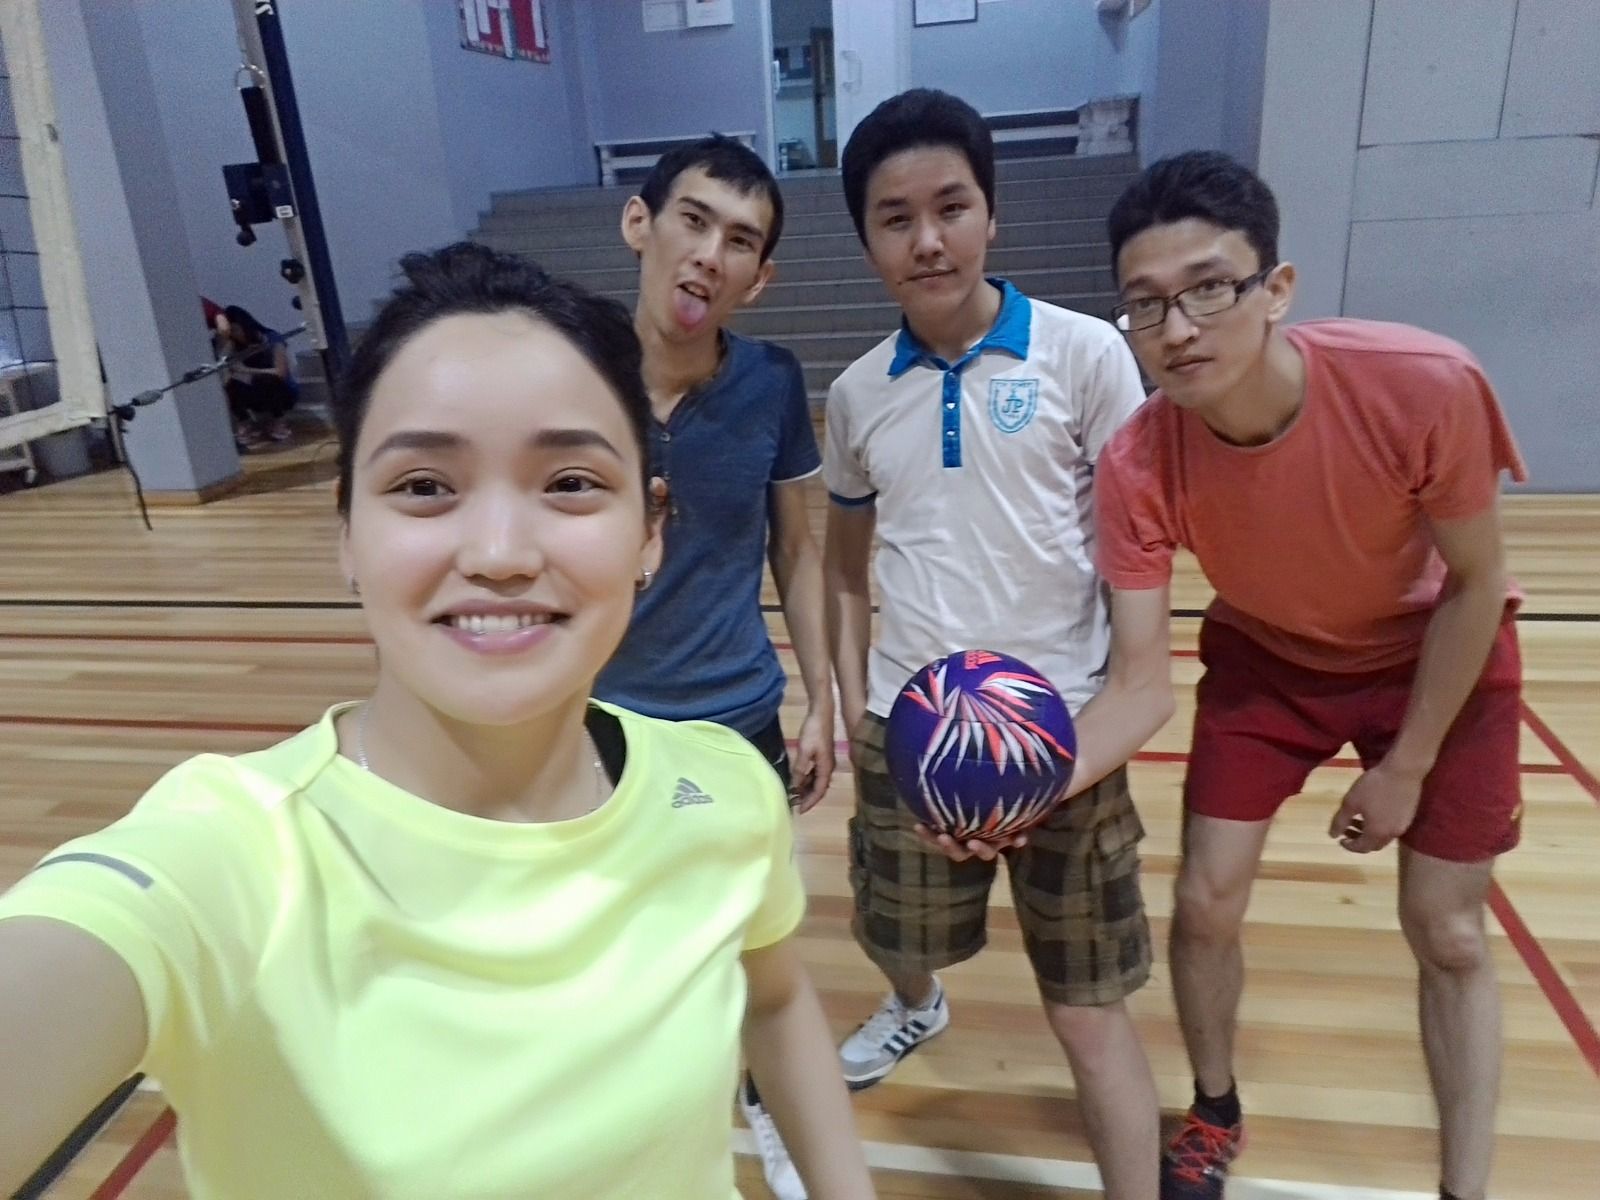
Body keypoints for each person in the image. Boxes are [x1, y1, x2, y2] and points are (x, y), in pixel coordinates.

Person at [0, 244, 874, 1200]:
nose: (499, 552)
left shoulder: (724, 786)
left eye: (571, 483)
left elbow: (779, 998)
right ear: (345, 533)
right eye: (424, 486)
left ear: (650, 531)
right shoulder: (232, 852)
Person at [1096, 151, 1526, 1200]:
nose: (1179, 329)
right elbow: (1140, 680)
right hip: (1271, 661)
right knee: (1203, 900)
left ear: (1274, 290)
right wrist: (1022, 783)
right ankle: (1213, 1108)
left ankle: (1462, 1190)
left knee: (1448, 929)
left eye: (1208, 288)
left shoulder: (1421, 382)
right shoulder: (1137, 462)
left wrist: (1407, 766)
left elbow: (1477, 584)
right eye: (1146, 307)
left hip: (1436, 655)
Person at [822, 89, 1165, 1200]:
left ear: (991, 214)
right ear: (867, 239)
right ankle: (915, 1001)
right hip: (906, 734)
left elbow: (1134, 575)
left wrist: (1043, 766)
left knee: (1086, 1012)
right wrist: (841, 697)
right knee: (892, 926)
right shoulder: (857, 395)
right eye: (895, 218)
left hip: (1067, 740)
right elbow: (840, 560)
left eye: (951, 206)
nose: (928, 239)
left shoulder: (1086, 360)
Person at [591, 133, 835, 1200]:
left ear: (760, 275)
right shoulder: (567, 370)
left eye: (739, 241)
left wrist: (824, 693)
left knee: (751, 947)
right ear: (640, 223)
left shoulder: (773, 381)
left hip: (736, 722)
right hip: (591, 727)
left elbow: (800, 547)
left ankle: (763, 1109)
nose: (708, 256)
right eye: (691, 221)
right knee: (613, 956)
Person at [221, 304, 298, 449]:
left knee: (267, 380)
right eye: (230, 331)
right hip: (256, 391)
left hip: (282, 391)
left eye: (235, 329)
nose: (234, 334)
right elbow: (225, 365)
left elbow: (281, 372)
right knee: (230, 384)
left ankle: (279, 421)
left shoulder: (272, 338)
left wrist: (247, 370)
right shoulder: (235, 345)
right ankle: (244, 423)